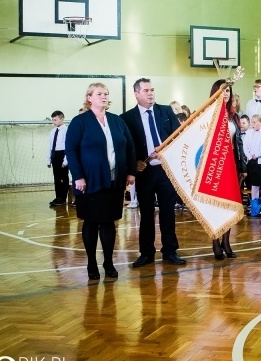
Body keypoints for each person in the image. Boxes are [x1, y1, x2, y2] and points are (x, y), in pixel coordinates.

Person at [65, 83, 136, 280]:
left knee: (108, 222)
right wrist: (78, 176)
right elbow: (71, 150)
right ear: (89, 98)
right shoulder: (80, 122)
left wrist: (131, 172)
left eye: (105, 94)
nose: (103, 96)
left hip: (114, 180)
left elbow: (130, 146)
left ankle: (108, 262)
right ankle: (91, 263)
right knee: (91, 222)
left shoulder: (117, 121)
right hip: (89, 181)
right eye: (99, 94)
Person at [120, 78, 187, 268]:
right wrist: (135, 163)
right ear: (136, 94)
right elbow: (126, 146)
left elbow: (178, 136)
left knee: (168, 212)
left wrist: (167, 150)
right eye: (146, 90)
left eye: (152, 90)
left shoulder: (166, 111)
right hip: (145, 172)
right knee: (146, 213)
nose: (150, 93)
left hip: (166, 170)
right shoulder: (127, 118)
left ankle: (170, 251)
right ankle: (146, 253)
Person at [209, 79, 248, 260]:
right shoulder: (209, 114)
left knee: (230, 205)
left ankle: (226, 241)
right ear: (215, 91)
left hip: (232, 163)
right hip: (216, 164)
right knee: (217, 205)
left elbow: (238, 143)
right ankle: (216, 241)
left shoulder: (234, 116)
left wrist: (242, 167)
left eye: (228, 91)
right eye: (222, 90)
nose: (225, 94)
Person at [244, 114, 261, 217]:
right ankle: (255, 208)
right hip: (251, 161)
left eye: (254, 122)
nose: (252, 124)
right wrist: (250, 156)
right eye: (251, 122)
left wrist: (257, 155)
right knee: (254, 186)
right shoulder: (249, 133)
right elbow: (245, 146)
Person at [46, 110, 70, 207]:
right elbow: (50, 146)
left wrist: (66, 160)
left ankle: (63, 198)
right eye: (53, 120)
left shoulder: (66, 130)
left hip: (62, 154)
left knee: (63, 177)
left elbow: (68, 146)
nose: (54, 122)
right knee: (56, 178)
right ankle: (58, 197)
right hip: (54, 155)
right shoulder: (52, 132)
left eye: (55, 120)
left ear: (62, 119)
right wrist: (49, 159)